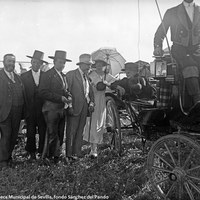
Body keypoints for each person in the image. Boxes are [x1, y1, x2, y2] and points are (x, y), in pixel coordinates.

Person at [153, 0, 200, 111]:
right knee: (190, 66)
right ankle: (197, 103)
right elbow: (160, 33)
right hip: (179, 50)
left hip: (198, 49)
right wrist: (158, 47)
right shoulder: (172, 12)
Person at [39, 50, 72, 164]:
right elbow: (42, 92)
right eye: (60, 62)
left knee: (60, 133)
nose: (62, 65)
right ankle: (47, 157)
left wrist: (68, 95)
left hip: (61, 109)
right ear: (54, 61)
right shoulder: (47, 75)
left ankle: (56, 156)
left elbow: (65, 90)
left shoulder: (63, 76)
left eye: (64, 63)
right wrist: (60, 98)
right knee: (52, 134)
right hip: (51, 109)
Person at [83, 59, 116, 158]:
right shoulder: (91, 74)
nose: (99, 67)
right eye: (97, 65)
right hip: (92, 99)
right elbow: (95, 86)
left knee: (98, 123)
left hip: (101, 101)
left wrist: (108, 83)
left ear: (105, 66)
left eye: (101, 65)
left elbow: (114, 83)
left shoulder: (108, 76)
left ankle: (95, 146)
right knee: (92, 123)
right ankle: (93, 149)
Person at [65, 53, 95, 160]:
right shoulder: (71, 75)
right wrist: (70, 106)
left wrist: (91, 103)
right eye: (87, 65)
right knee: (71, 131)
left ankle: (77, 152)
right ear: (81, 64)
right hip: (74, 108)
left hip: (84, 108)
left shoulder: (88, 78)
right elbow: (67, 92)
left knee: (80, 131)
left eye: (90, 65)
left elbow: (90, 93)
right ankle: (69, 154)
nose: (89, 67)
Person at [0, 54, 25, 168]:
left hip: (17, 112)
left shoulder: (18, 77)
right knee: (6, 135)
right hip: (4, 112)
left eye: (13, 62)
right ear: (3, 62)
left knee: (14, 136)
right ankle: (3, 161)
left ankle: (9, 157)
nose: (11, 64)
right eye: (9, 61)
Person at [21, 50, 47, 160]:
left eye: (39, 63)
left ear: (42, 64)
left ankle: (41, 152)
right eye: (34, 62)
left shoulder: (46, 76)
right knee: (30, 132)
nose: (36, 65)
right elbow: (22, 94)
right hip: (30, 110)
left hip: (42, 110)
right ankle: (31, 152)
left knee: (42, 131)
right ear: (31, 62)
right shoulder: (24, 76)